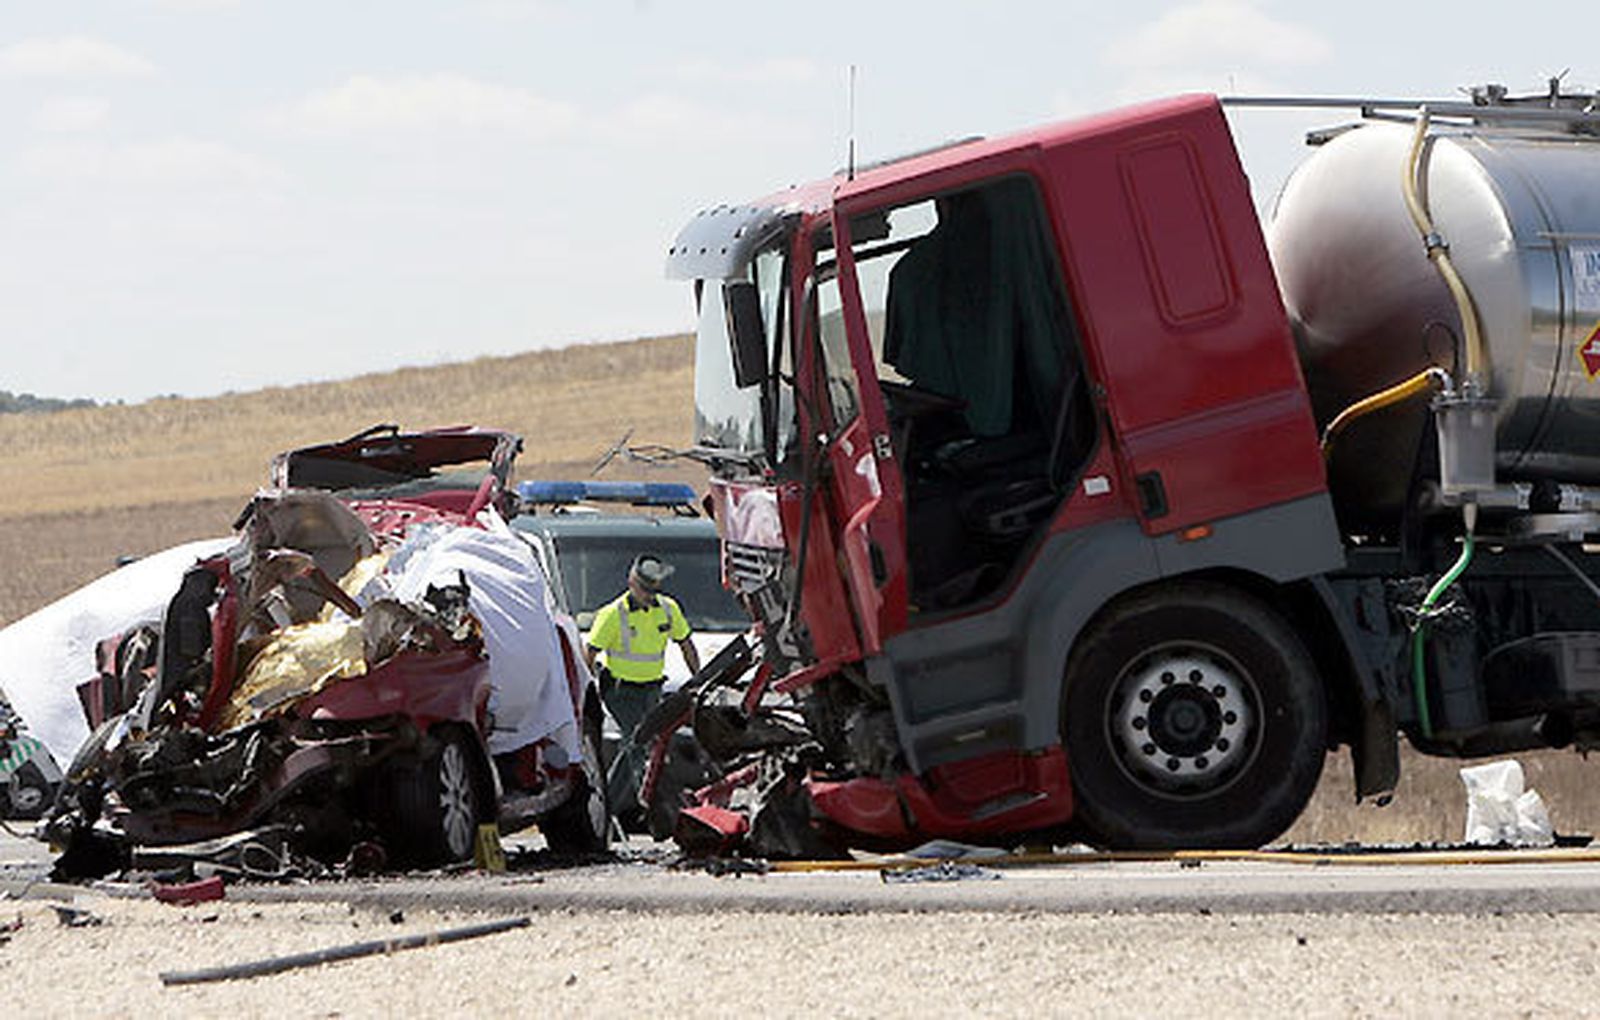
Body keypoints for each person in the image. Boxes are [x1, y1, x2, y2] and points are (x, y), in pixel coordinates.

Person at [583, 553, 701, 822]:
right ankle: (647, 808)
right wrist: (587, 692)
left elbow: (686, 644)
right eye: (645, 589)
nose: (649, 595)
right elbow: (589, 653)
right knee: (639, 741)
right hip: (620, 690)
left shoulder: (668, 609)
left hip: (651, 689)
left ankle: (606, 805)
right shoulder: (613, 614)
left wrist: (699, 678)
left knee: (636, 744)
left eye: (653, 590)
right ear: (632, 582)